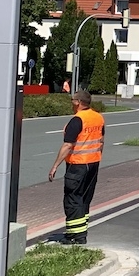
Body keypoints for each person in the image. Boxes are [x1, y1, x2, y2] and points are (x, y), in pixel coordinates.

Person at [47, 90, 104, 244]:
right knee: (84, 198)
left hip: (78, 165)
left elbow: (68, 145)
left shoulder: (77, 120)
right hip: (93, 163)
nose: (71, 103)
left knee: (72, 199)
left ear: (78, 102)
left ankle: (75, 236)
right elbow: (101, 141)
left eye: (72, 100)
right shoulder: (98, 117)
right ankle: (81, 232)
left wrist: (55, 166)